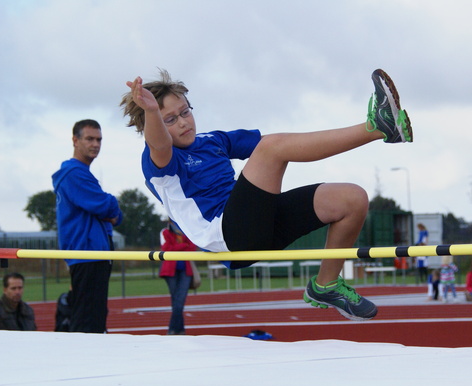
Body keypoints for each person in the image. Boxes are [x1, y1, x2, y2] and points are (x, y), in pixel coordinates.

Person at [120, 68, 412, 321]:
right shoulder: (160, 162)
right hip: (228, 236)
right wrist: (152, 113)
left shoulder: (212, 141)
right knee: (273, 149)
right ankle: (377, 128)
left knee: (352, 199)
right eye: (170, 119)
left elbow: (287, 144)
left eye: (185, 112)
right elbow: (160, 143)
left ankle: (326, 285)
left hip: (258, 224)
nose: (183, 122)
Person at [52, 119, 123, 333]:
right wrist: (111, 206)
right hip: (89, 254)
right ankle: (83, 363)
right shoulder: (74, 173)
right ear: (75, 140)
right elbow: (108, 206)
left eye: (99, 139)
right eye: (89, 139)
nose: (96, 144)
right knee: (88, 322)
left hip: (93, 253)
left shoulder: (81, 173)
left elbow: (111, 213)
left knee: (93, 317)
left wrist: (110, 211)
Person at [159, 220, 198, 335]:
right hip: (170, 271)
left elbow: (192, 248)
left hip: (185, 270)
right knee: (176, 301)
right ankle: (179, 330)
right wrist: (183, 246)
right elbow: (166, 249)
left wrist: (178, 246)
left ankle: (173, 330)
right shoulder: (165, 233)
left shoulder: (188, 232)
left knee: (179, 301)